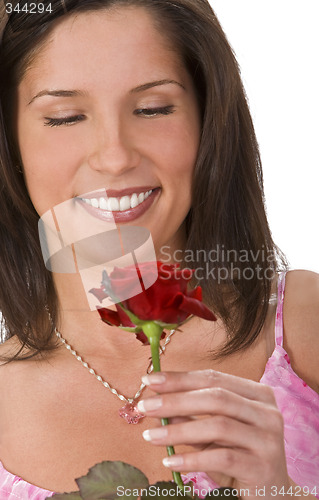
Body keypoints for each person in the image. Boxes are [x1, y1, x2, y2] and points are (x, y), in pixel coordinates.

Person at [0, 0, 318, 498]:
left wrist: (279, 492)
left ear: (208, 121)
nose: (115, 156)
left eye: (153, 108)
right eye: (64, 117)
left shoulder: (304, 322)